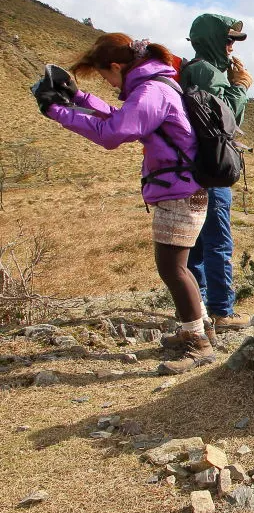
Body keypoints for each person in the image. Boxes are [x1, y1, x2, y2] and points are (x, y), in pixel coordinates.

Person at [33, 33, 215, 373]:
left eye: (104, 76)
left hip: (180, 190)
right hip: (182, 187)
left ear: (117, 66)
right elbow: (122, 118)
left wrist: (58, 110)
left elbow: (114, 133)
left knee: (172, 269)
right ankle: (200, 329)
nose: (108, 83)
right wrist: (79, 98)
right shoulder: (154, 85)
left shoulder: (152, 90)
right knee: (179, 267)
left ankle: (198, 344)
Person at [181, 14, 254, 331]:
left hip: (193, 169)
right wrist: (241, 88)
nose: (230, 47)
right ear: (211, 40)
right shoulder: (207, 73)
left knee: (195, 245)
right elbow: (223, 122)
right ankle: (222, 312)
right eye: (227, 40)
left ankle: (196, 313)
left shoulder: (195, 70)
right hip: (210, 169)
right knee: (218, 244)